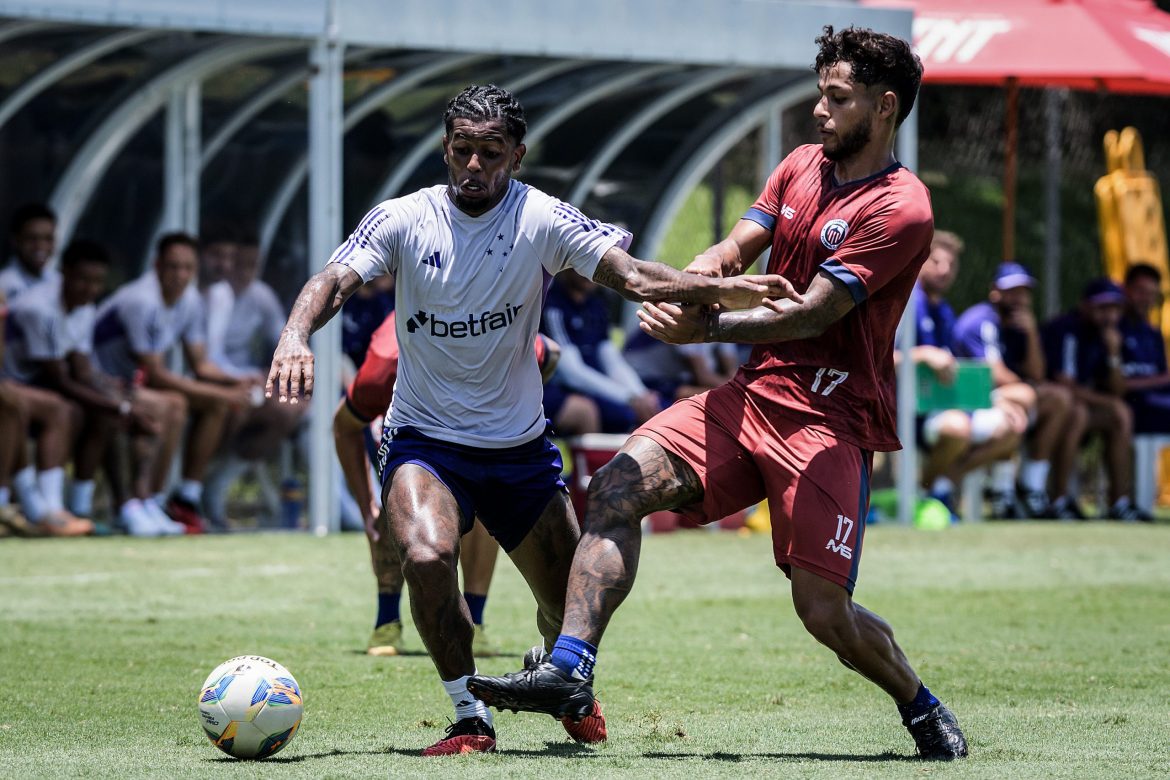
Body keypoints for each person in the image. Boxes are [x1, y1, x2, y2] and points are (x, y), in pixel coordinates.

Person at [467, 27, 969, 761]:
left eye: (837, 99)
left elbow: (813, 313)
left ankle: (919, 705)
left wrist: (702, 329)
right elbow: (733, 250)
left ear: (885, 107)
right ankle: (570, 669)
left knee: (823, 612)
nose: (819, 111)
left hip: (827, 422)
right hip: (752, 396)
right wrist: (691, 284)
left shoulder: (903, 207)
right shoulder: (799, 166)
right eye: (820, 94)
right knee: (615, 486)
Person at [266, 83, 793, 756]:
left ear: (516, 156)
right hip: (425, 440)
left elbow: (633, 277)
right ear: (445, 149)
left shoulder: (540, 217)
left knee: (563, 602)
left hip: (518, 451)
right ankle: (470, 718)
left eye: (491, 152)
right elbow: (334, 279)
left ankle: (568, 683)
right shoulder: (403, 218)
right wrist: (295, 334)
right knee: (426, 555)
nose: (475, 165)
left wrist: (720, 288)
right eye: (463, 149)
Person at [333, 310, 559, 657]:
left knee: (488, 498)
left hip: (481, 418)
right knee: (396, 506)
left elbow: (551, 353)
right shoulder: (385, 368)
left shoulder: (498, 344)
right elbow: (344, 426)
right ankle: (386, 621)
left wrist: (522, 397)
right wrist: (367, 509)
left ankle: (475, 620)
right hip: (411, 423)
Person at [6, 240, 188, 535]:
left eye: (97, 282)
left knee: (116, 412)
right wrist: (122, 407)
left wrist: (118, 400)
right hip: (18, 384)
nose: (90, 289)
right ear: (64, 272)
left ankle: (109, 506)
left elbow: (81, 370)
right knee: (66, 411)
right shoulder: (40, 308)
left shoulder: (84, 308)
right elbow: (59, 380)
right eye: (83, 280)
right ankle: (49, 510)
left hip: (40, 384)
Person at [93, 232, 254, 533]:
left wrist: (240, 381)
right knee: (174, 405)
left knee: (213, 405)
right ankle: (142, 502)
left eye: (187, 268)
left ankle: (183, 498)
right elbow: (154, 373)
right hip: (101, 383)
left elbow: (201, 365)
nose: (180, 275)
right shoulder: (142, 301)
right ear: (157, 266)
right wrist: (223, 393)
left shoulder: (189, 299)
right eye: (173, 267)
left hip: (132, 385)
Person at [907, 231, 1027, 519]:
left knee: (1013, 425)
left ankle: (941, 487)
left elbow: (958, 370)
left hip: (948, 404)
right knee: (957, 427)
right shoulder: (905, 304)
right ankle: (919, 493)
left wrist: (991, 400)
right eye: (936, 262)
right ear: (920, 263)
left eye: (951, 265)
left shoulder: (945, 312)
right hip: (904, 413)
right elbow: (877, 358)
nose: (944, 270)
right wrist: (922, 354)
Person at [952, 263, 1077, 519]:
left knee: (1060, 401)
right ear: (995, 292)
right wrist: (1026, 387)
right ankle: (1000, 491)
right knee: (1025, 397)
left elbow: (1037, 373)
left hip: (1000, 397)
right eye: (1011, 291)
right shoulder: (982, 320)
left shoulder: (1019, 325)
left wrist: (1031, 334)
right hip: (966, 399)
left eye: (1023, 292)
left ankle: (1031, 487)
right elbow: (995, 375)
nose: (1018, 298)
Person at [202, 238, 305, 528]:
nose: (245, 271)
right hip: (213, 380)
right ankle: (193, 488)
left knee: (288, 409)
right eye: (239, 263)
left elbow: (284, 343)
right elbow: (206, 356)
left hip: (241, 379)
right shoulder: (213, 294)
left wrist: (274, 375)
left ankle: (216, 485)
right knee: (234, 408)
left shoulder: (261, 295)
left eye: (252, 265)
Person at [1041, 278, 1152, 521]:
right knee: (1079, 413)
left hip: (1082, 405)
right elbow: (1066, 385)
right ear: (1085, 306)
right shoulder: (1067, 329)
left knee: (1121, 413)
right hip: (1051, 410)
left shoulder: (1110, 335)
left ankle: (1119, 503)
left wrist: (1113, 354)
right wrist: (1107, 402)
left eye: (1115, 308)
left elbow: (1117, 390)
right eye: (1102, 308)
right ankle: (1060, 500)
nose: (1109, 315)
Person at [541, 268, 661, 432]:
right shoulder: (552, 305)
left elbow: (612, 361)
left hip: (593, 386)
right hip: (556, 388)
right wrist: (629, 399)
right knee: (596, 413)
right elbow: (572, 374)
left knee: (650, 410)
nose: (587, 271)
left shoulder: (596, 304)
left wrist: (642, 396)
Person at [1120, 263, 1170, 436]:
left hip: (1154, 400)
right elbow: (1113, 385)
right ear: (1125, 289)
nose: (1146, 299)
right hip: (1129, 404)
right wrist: (1160, 380)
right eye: (1140, 291)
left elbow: (1162, 377)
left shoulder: (1153, 334)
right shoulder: (1111, 329)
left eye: (1152, 294)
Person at [0, 203, 60, 301]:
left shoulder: (58, 282)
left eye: (48, 238)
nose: (41, 246)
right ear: (16, 240)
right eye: (32, 238)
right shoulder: (4, 285)